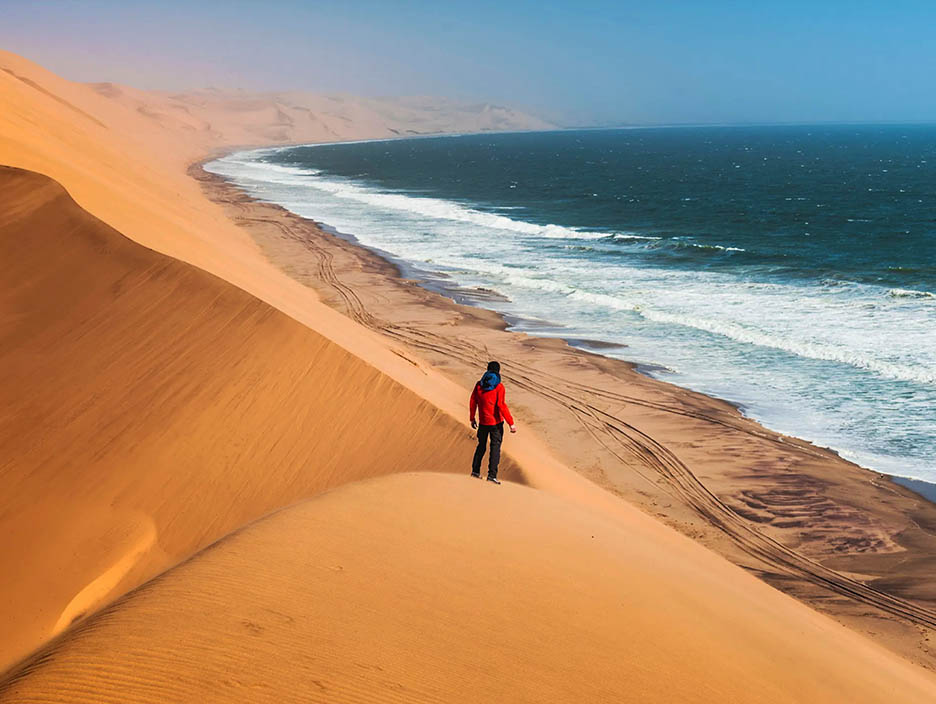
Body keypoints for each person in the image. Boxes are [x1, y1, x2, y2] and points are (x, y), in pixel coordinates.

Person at [469, 361, 516, 484]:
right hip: (496, 424)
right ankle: (492, 476)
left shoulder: (479, 385)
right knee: (495, 449)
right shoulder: (499, 387)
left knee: (481, 447)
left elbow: (473, 401)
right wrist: (511, 423)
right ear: (498, 371)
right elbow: (501, 405)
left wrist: (472, 418)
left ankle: (475, 471)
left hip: (483, 423)